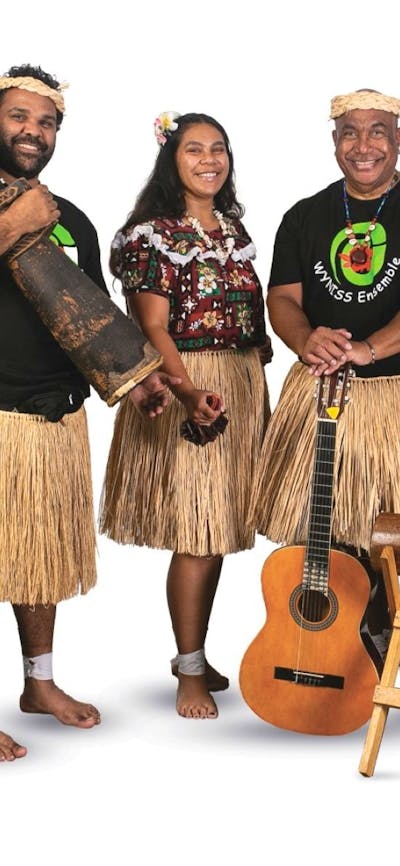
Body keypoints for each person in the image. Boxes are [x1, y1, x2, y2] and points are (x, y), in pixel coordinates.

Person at [0, 65, 176, 762]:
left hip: (55, 420)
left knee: (36, 563)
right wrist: (14, 223)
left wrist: (135, 383)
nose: (32, 132)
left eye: (46, 123)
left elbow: (90, 322)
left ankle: (39, 684)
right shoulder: (31, 211)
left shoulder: (67, 217)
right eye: (18, 116)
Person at [100, 111, 271, 719]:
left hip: (242, 381)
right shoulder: (152, 234)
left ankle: (197, 654)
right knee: (198, 532)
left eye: (218, 148)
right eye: (194, 148)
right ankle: (189, 669)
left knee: (219, 527)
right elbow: (151, 327)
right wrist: (188, 392)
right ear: (171, 160)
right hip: (191, 381)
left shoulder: (229, 228)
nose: (209, 159)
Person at [250, 88, 400, 660]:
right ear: (334, 143)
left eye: (377, 131)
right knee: (321, 535)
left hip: (392, 397)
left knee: (389, 537)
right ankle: (328, 655)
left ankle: (384, 653)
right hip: (320, 394)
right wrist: (304, 337)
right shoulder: (305, 214)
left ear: (397, 139)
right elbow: (283, 298)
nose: (363, 146)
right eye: (350, 133)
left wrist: (369, 347)